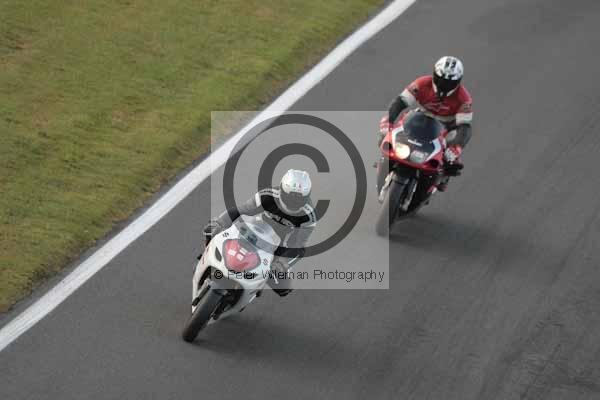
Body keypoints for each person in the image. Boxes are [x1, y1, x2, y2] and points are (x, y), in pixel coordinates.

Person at [203, 169, 316, 297]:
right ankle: (205, 255)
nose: (294, 203)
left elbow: (299, 245)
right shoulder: (267, 195)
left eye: (299, 199)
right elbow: (242, 210)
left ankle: (254, 288)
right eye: (291, 197)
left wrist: (282, 262)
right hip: (252, 230)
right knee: (211, 231)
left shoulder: (308, 216)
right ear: (282, 190)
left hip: (279, 246)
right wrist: (220, 222)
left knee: (283, 288)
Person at [383, 56, 473, 191]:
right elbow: (400, 102)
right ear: (434, 74)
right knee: (389, 133)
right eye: (441, 79)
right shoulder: (421, 83)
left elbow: (465, 127)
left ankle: (442, 178)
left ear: (458, 81)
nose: (443, 84)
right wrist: (388, 122)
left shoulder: (464, 99)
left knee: (451, 159)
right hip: (420, 118)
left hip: (446, 127)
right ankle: (384, 161)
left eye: (449, 82)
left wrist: (456, 147)